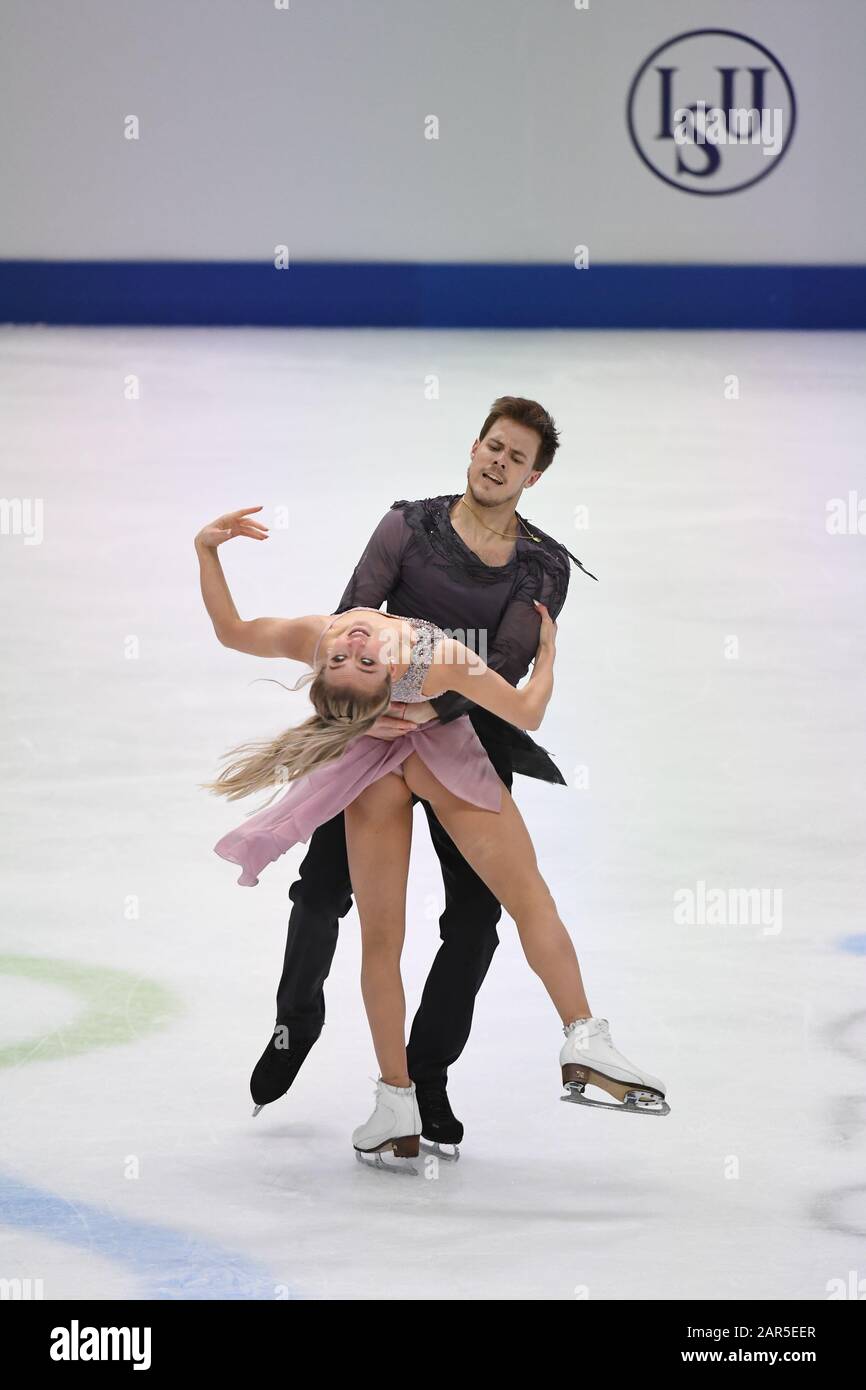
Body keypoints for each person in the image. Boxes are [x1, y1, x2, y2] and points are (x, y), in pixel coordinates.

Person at [201, 396, 584, 1152]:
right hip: (373, 715)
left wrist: (424, 709)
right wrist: (377, 700)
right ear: (475, 448)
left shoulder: (542, 564)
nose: (497, 463)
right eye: (491, 447)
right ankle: (296, 1018)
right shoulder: (409, 525)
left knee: (476, 921)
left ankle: (422, 1076)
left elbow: (502, 667)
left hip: (464, 728)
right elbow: (355, 615)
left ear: (532, 477)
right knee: (321, 888)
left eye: (515, 458)